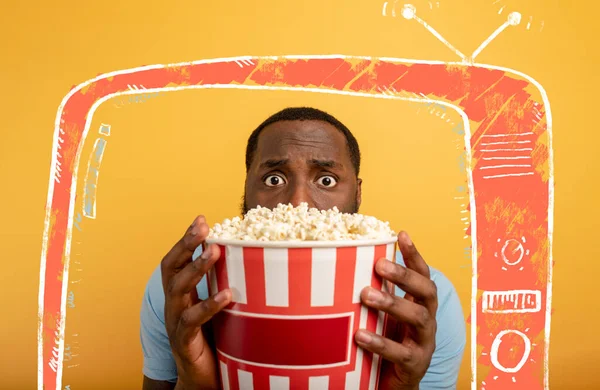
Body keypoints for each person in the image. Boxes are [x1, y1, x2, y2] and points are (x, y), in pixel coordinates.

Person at [140, 107, 466, 389]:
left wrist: (403, 388)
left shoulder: (424, 305)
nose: (298, 203)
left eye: (326, 180)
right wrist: (194, 382)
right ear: (246, 188)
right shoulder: (181, 289)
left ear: (358, 193)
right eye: (273, 179)